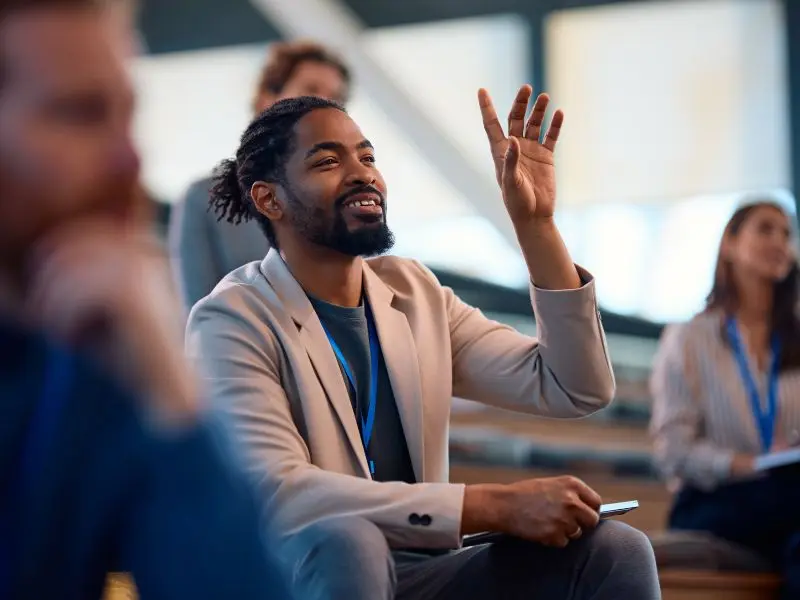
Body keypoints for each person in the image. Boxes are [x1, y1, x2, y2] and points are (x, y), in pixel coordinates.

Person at [185, 87, 660, 599]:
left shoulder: (414, 294)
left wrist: (536, 226)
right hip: (298, 576)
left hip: (425, 572)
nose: (363, 172)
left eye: (368, 156)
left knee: (615, 551)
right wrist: (488, 505)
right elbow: (276, 497)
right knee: (350, 541)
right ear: (269, 198)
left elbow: (575, 386)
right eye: (328, 161)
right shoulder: (230, 318)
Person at [0, 1, 293, 598]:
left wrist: (174, 400)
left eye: (127, 114)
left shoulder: (94, 360)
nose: (130, 159)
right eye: (79, 113)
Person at [650, 200, 800, 598]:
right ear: (730, 244)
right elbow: (673, 452)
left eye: (787, 234)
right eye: (766, 229)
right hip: (715, 500)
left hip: (784, 498)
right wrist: (744, 464)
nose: (780, 242)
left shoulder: (795, 340)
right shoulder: (689, 338)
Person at [168, 40, 351, 310]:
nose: (326, 106)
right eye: (310, 90)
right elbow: (198, 317)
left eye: (337, 98)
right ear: (267, 99)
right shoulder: (202, 200)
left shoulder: (347, 200)